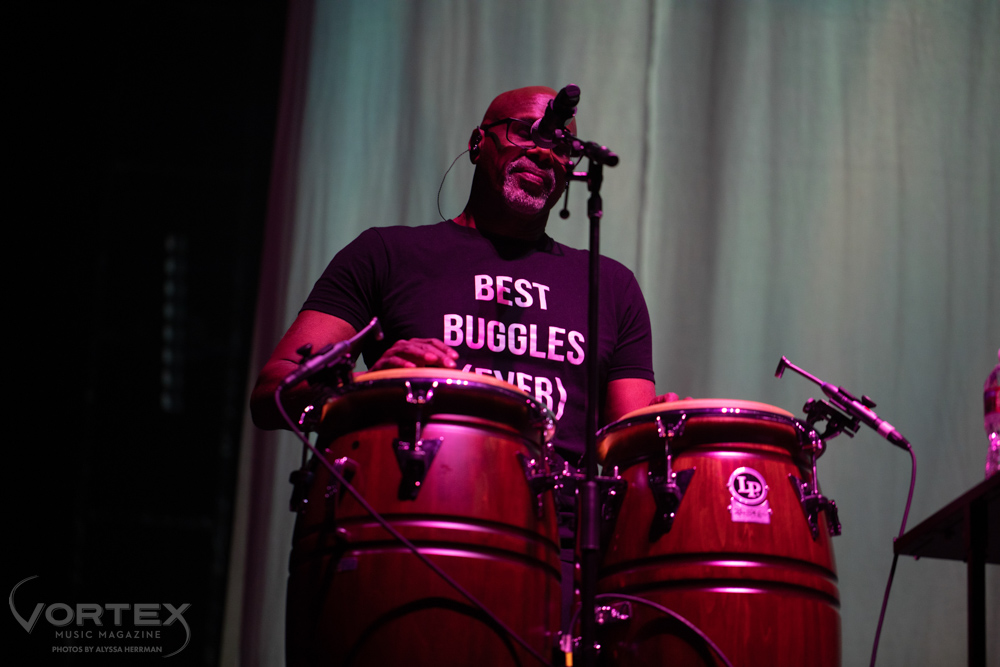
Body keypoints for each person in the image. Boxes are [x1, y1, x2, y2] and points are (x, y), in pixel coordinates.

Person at [250, 85, 675, 456]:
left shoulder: (611, 287)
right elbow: (272, 395)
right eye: (525, 132)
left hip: (554, 538)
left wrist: (669, 428)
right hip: (410, 512)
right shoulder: (385, 253)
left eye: (561, 147)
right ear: (477, 143)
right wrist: (364, 388)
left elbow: (626, 443)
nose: (544, 152)